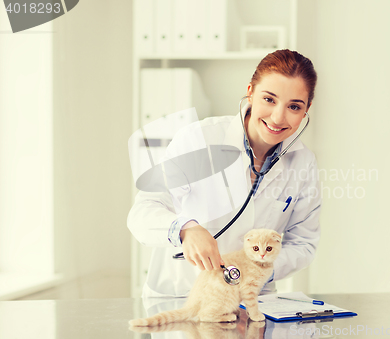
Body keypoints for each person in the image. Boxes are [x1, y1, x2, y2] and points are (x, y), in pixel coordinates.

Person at [127, 49, 321, 298]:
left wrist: (258, 268)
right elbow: (143, 212)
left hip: (252, 299)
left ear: (307, 109)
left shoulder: (303, 163)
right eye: (269, 99)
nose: (277, 117)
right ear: (250, 92)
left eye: (294, 106)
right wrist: (185, 230)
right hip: (182, 297)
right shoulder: (199, 139)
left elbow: (303, 243)